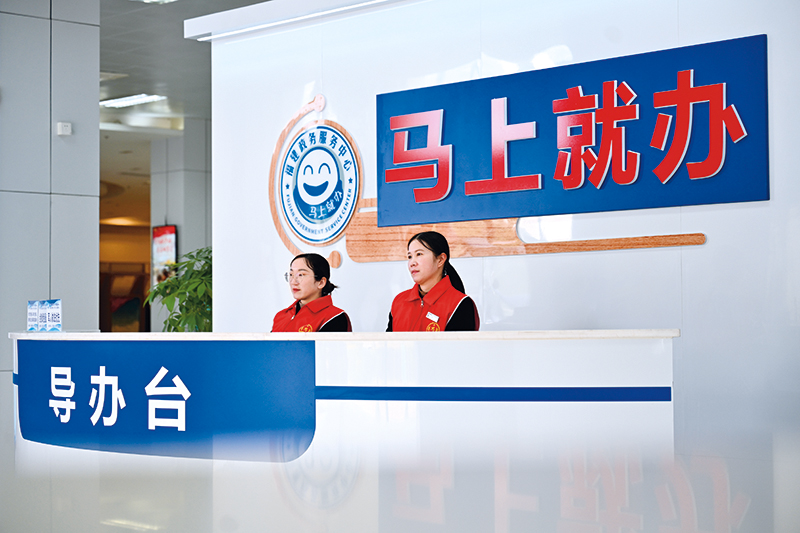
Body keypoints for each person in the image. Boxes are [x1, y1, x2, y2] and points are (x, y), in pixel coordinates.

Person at [387, 231, 479, 331]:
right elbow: (388, 340)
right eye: (410, 256)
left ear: (440, 259)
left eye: (419, 254)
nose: (412, 263)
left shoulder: (460, 304)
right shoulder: (399, 301)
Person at [272, 253, 352, 332]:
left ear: (321, 283)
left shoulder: (334, 317)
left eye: (301, 275)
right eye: (291, 274)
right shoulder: (281, 316)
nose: (293, 282)